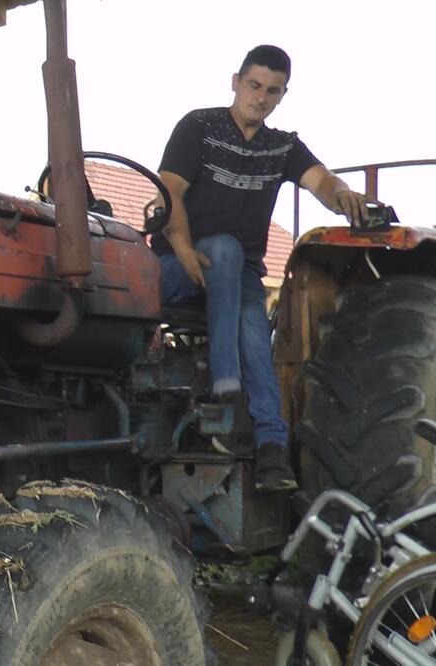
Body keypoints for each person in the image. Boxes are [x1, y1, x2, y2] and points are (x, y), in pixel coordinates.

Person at [153, 45, 369, 492]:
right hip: (178, 267)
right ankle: (228, 394)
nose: (261, 98)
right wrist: (183, 247)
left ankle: (271, 449)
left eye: (273, 91)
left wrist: (344, 195)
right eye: (254, 86)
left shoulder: (281, 146)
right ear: (235, 82)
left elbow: (321, 180)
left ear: (282, 95)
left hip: (236, 277)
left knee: (251, 306)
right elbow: (168, 190)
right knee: (229, 258)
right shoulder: (199, 127)